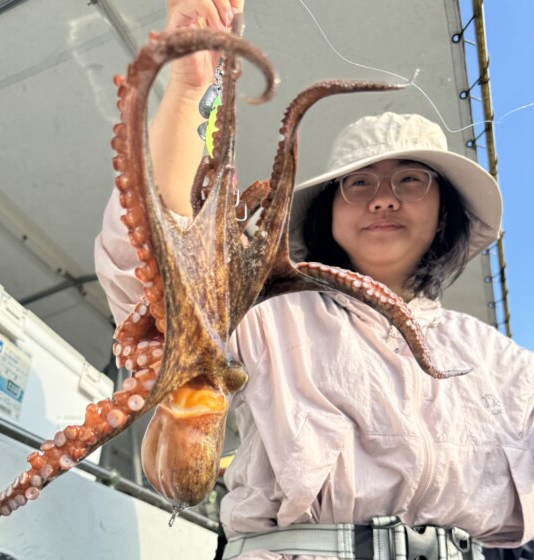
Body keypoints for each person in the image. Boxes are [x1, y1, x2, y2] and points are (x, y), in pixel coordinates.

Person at [94, 1, 533, 559]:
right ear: (328, 209)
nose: (383, 197)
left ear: (445, 210)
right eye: (358, 183)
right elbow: (160, 269)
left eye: (412, 178)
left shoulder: (503, 362)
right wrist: (187, 89)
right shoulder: (267, 316)